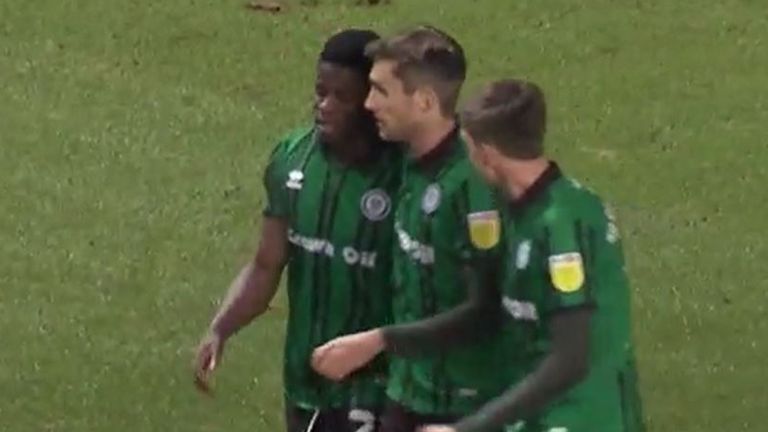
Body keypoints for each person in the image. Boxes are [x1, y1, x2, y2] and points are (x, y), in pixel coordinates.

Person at [192, 28, 402, 432]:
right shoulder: (294, 159)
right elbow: (267, 264)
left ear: (371, 101)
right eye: (320, 91)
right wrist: (220, 329)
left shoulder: (405, 175)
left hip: (379, 386)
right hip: (305, 383)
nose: (324, 105)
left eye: (342, 97)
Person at [311, 26, 516, 432]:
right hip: (407, 395)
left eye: (380, 91)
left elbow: (488, 309)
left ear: (423, 102)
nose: (368, 104)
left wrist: (378, 341)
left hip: (463, 405)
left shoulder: (473, 184)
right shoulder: (409, 161)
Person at [420, 79, 646, 432]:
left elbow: (569, 360)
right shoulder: (521, 210)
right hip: (540, 416)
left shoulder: (560, 224)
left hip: (580, 420)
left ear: (486, 153)